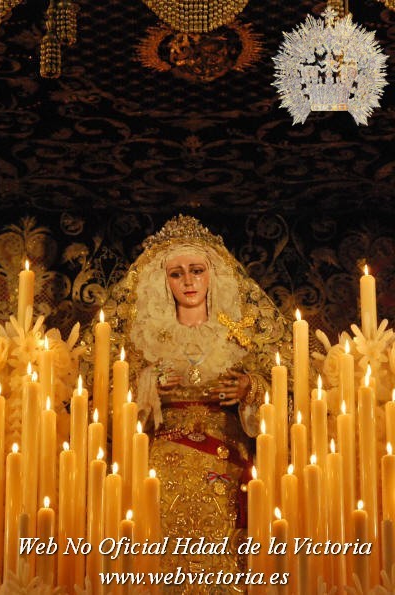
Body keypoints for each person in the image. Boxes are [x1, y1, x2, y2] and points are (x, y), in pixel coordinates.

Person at [113, 215, 292, 592]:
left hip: (227, 450)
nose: (188, 282)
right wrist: (150, 387)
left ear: (213, 275)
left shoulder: (238, 333)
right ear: (162, 280)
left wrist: (248, 388)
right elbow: (112, 396)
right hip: (161, 452)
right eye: (176, 274)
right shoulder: (145, 336)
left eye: (197, 271)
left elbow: (282, 387)